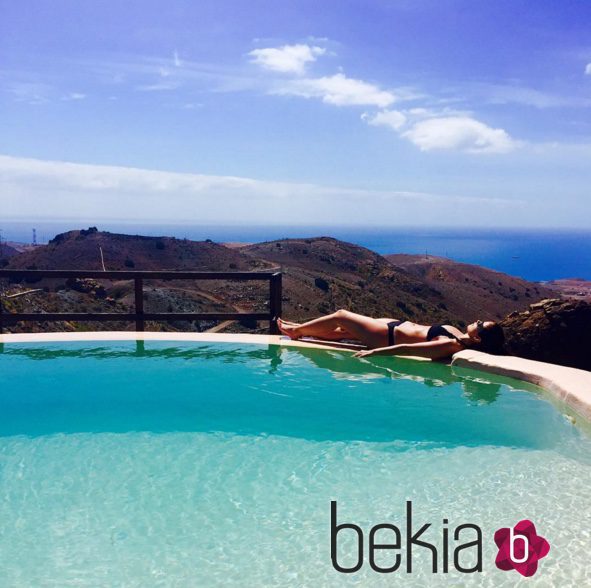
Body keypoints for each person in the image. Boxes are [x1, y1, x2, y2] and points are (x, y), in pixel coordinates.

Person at [277, 310, 505, 360]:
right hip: (391, 326)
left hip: (387, 337)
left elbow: (407, 349)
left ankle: (295, 331)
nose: (476, 321)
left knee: (341, 316)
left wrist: (375, 351)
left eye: (480, 324)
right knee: (341, 332)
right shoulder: (459, 334)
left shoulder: (451, 345)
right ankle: (299, 328)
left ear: (478, 339)